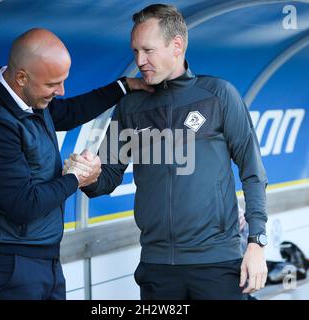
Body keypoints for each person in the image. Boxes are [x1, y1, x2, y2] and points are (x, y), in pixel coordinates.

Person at [78, 4, 269, 300]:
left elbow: (253, 171)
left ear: (176, 45)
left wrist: (256, 243)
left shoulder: (218, 95)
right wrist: (87, 176)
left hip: (217, 263)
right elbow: (108, 178)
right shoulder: (131, 106)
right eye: (135, 51)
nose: (140, 60)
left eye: (148, 50)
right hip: (157, 268)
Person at [0, 28, 151, 300]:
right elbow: (24, 204)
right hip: (5, 264)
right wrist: (76, 177)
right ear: (21, 77)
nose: (60, 91)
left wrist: (124, 86)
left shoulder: (28, 98)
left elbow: (69, 112)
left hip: (41, 259)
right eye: (52, 84)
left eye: (62, 81)